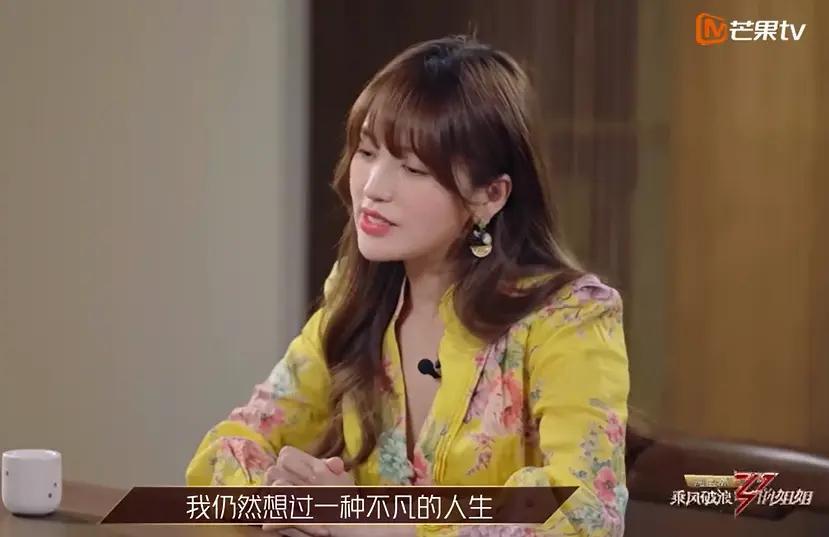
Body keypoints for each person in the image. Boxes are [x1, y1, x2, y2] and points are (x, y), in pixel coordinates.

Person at [186, 35, 629, 537]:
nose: (373, 188)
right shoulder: (356, 295)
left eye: (414, 169)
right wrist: (283, 498)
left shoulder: (568, 317)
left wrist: (371, 523)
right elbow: (228, 449)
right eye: (366, 152)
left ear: (490, 195)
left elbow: (587, 514)